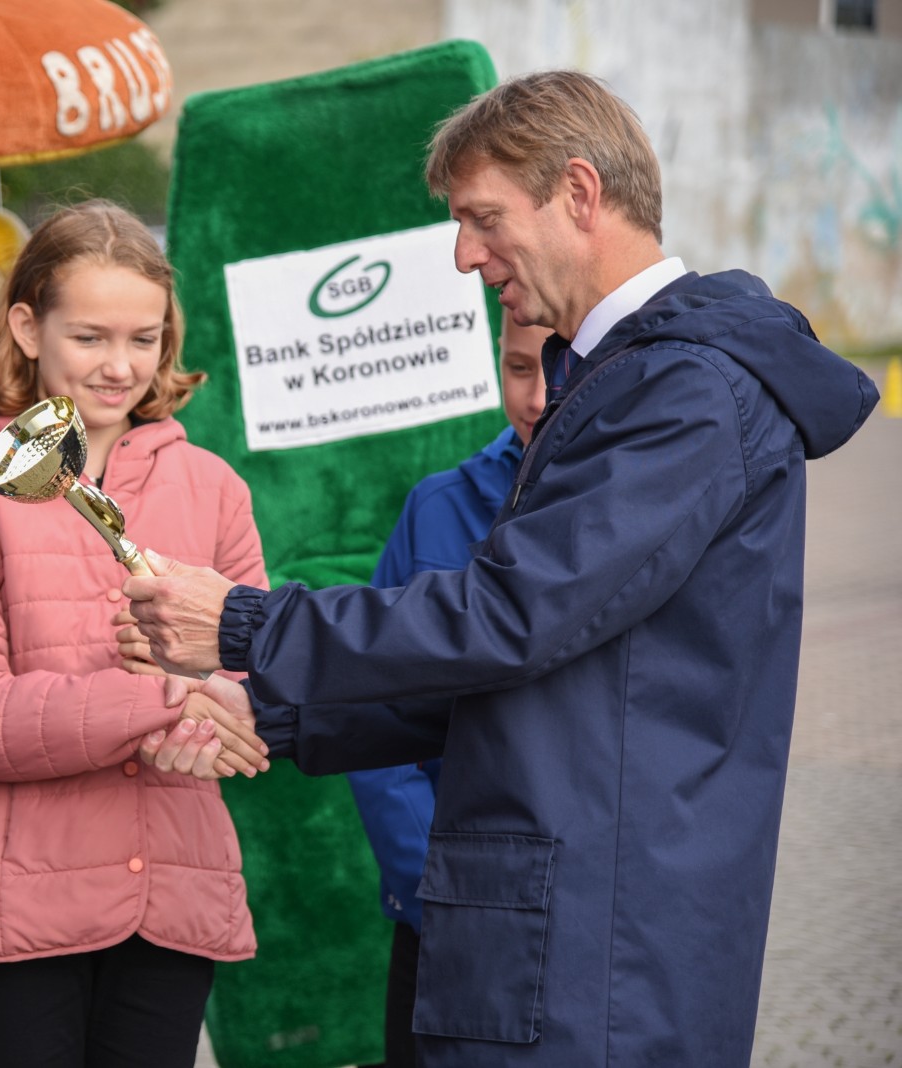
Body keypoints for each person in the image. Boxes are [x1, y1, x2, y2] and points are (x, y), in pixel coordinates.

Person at [126, 70, 880, 1067]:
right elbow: (526, 673)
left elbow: (511, 616)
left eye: (483, 219)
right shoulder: (629, 377)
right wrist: (271, 712)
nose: (464, 255)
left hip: (600, 955)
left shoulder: (684, 391)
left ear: (579, 192)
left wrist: (244, 624)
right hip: (570, 936)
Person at [0, 199, 268, 1068]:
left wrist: (216, 707)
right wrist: (159, 701)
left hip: (174, 892)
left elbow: (253, 675)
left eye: (144, 339)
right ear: (27, 327)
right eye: (90, 337)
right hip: (16, 910)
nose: (121, 366)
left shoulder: (214, 487)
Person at [346, 318, 547, 1068]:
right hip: (440, 915)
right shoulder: (437, 506)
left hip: (574, 917)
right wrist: (438, 888)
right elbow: (374, 711)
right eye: (517, 369)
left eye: (559, 372)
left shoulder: (633, 501)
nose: (537, 397)